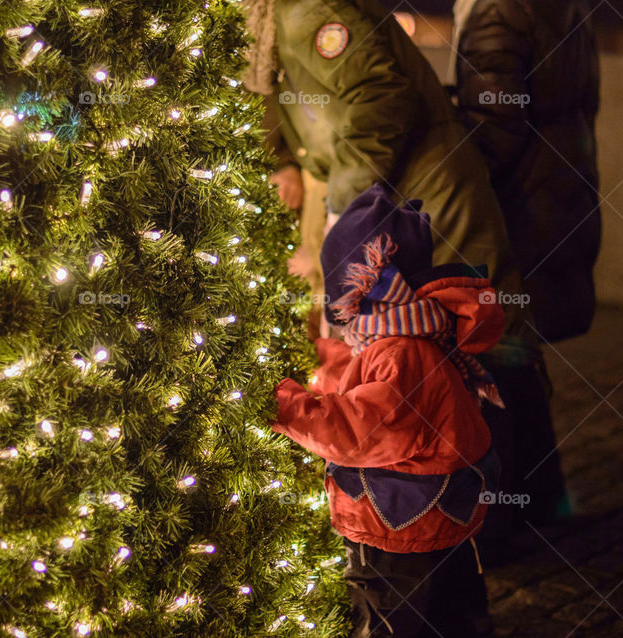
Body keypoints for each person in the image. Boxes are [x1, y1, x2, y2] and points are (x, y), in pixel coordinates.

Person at [244, 0, 567, 541]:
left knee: (473, 347)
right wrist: (286, 163)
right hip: (395, 207)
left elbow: (379, 97)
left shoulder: (309, 12)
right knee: (458, 352)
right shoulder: (274, 22)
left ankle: (490, 523)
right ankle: (521, 513)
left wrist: (344, 208)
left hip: (423, 205)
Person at [272, 185, 501, 637]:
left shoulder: (401, 353)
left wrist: (279, 402)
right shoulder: (412, 334)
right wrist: (313, 355)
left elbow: (357, 428)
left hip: (397, 529)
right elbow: (361, 377)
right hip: (435, 519)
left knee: (390, 618)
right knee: (452, 611)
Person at [446, 0, 602, 343]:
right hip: (561, 203)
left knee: (499, 346)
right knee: (522, 346)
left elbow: (493, 127)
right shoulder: (568, 8)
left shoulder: (496, 9)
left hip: (517, 215)